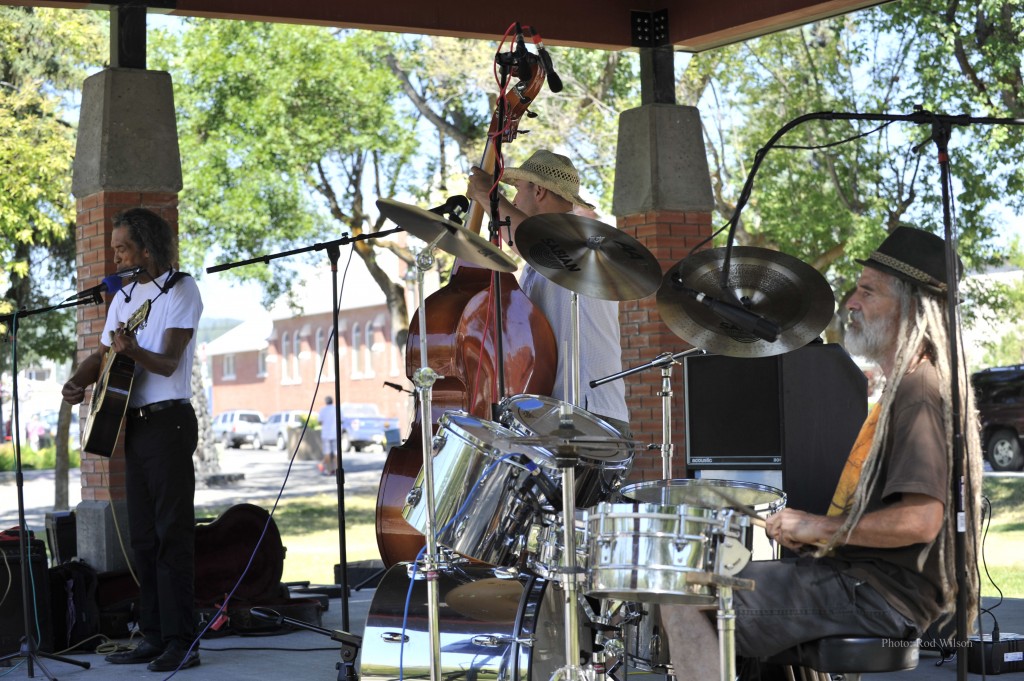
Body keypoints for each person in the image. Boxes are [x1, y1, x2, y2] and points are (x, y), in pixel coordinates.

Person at [664, 226, 983, 678]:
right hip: (866, 584)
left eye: (868, 292)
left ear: (911, 307)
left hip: (881, 597)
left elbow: (921, 520)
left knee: (686, 594)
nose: (851, 302)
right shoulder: (909, 388)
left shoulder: (919, 393)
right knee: (721, 580)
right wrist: (816, 535)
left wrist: (819, 526)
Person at [62, 207, 203, 672]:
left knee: (171, 535)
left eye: (123, 247)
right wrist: (79, 381)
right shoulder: (123, 297)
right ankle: (155, 634)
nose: (116, 255)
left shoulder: (181, 289)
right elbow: (103, 355)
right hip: (136, 423)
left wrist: (133, 349)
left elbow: (166, 363)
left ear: (147, 248)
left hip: (171, 423)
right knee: (143, 537)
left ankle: (184, 641)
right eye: (114, 248)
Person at [466, 149, 629, 430]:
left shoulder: (584, 237)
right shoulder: (535, 263)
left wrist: (488, 196)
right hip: (557, 416)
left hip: (589, 417)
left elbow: (533, 240)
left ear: (538, 190)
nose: (515, 199)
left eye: (518, 190)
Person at [318, 395, 338, 475]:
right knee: (336, 453)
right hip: (335, 433)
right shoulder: (337, 409)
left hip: (326, 434)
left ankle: (328, 470)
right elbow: (342, 420)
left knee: (327, 453)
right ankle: (337, 469)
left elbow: (319, 421)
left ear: (326, 402)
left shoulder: (323, 410)